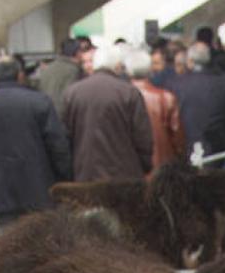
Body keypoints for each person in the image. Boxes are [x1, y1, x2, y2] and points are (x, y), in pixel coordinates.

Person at [0, 56, 72, 225]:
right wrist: (65, 180)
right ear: (20, 75)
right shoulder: (39, 102)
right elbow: (58, 147)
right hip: (40, 191)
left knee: (11, 246)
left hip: (1, 193)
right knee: (45, 245)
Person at [62, 43, 158, 183]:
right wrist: (145, 165)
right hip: (124, 174)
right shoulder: (129, 93)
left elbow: (65, 136)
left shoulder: (72, 93)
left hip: (85, 173)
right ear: (117, 66)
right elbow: (142, 136)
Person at [126, 49, 187, 168]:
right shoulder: (165, 98)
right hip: (162, 168)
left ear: (128, 71)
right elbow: (178, 139)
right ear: (150, 70)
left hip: (129, 169)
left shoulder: (119, 99)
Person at [35, 37, 92, 115]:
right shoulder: (74, 71)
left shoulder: (48, 69)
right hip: (64, 118)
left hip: (46, 115)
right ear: (77, 53)